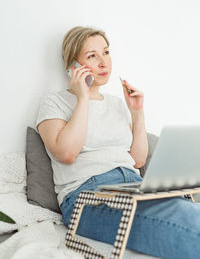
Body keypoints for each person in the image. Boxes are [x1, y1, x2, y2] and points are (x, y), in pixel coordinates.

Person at [35, 26, 200, 259]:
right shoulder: (55, 103)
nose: (104, 62)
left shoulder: (115, 104)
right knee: (190, 225)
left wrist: (137, 113)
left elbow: (137, 159)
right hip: (89, 197)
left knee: (191, 213)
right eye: (92, 56)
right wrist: (83, 98)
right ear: (73, 66)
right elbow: (67, 153)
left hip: (134, 186)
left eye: (106, 52)